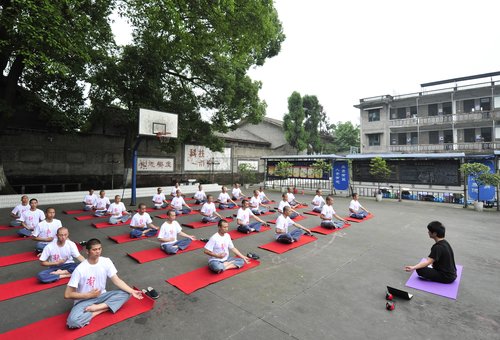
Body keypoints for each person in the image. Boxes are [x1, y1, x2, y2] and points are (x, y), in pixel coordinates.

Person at [64, 238, 143, 328]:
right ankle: (101, 309)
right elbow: (67, 294)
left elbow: (116, 280)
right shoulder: (80, 269)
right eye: (94, 249)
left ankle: (99, 308)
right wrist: (88, 295)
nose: (98, 252)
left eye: (99, 249)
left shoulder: (106, 261)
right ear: (87, 251)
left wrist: (132, 291)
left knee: (127, 293)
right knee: (72, 322)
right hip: (84, 301)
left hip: (102, 296)